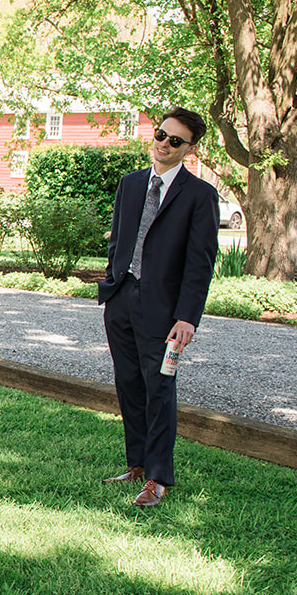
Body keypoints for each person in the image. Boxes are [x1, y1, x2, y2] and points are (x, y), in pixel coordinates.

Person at [97, 107, 219, 508]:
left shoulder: (200, 195)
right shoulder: (130, 185)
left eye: (175, 141)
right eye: (161, 134)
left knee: (159, 389)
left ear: (190, 149)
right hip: (121, 302)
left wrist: (187, 317)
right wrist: (112, 285)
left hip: (165, 314)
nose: (164, 144)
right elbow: (119, 242)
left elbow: (200, 263)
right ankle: (135, 465)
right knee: (129, 385)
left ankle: (157, 478)